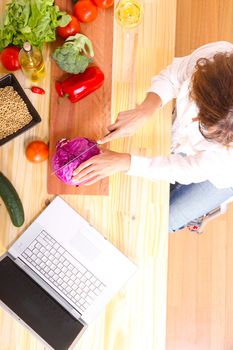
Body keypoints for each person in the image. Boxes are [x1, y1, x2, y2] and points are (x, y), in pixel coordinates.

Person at [72, 41, 233, 233]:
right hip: (191, 147)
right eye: (194, 97)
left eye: (200, 119)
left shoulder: (225, 160)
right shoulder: (218, 59)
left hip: (222, 177)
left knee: (163, 221)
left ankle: (194, 218)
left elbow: (186, 170)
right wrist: (146, 109)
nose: (192, 113)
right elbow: (175, 76)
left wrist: (125, 162)